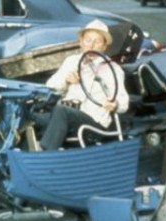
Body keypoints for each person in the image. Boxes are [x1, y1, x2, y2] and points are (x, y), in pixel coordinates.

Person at [33, 19, 129, 151]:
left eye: (97, 42)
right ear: (81, 43)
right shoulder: (71, 61)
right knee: (27, 114)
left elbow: (124, 103)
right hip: (66, 118)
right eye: (88, 40)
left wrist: (115, 104)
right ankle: (17, 158)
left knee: (61, 111)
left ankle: (45, 157)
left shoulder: (112, 69)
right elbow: (49, 87)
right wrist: (66, 81)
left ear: (104, 47)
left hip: (93, 124)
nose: (91, 45)